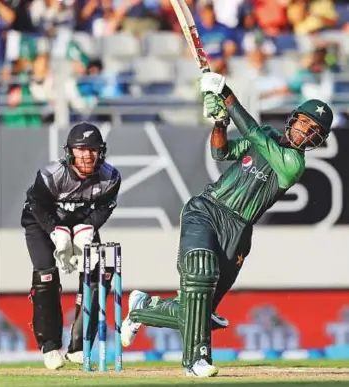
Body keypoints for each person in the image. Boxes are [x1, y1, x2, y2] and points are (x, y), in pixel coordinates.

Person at [121, 71, 333, 377]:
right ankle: (196, 361)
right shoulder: (270, 138)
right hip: (208, 209)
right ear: (294, 118)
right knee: (201, 274)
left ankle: (141, 308)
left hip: (239, 230)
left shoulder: (293, 164)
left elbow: (253, 134)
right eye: (305, 122)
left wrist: (226, 93)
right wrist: (220, 122)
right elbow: (220, 152)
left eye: (315, 131)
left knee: (200, 311)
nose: (306, 132)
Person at [21, 122, 121, 370]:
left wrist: (86, 228)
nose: (87, 155)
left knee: (97, 278)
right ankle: (50, 346)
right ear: (70, 152)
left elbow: (103, 209)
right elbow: (37, 206)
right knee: (46, 277)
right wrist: (56, 231)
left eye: (93, 150)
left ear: (101, 151)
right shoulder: (51, 175)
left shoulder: (110, 178)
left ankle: (79, 346)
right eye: (81, 150)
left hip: (81, 226)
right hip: (41, 225)